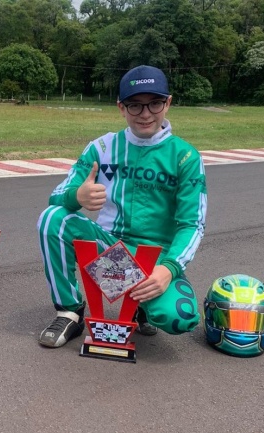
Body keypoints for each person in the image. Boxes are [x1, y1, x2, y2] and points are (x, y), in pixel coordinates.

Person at [37, 65, 207, 348]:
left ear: (168, 103)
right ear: (121, 107)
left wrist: (168, 269)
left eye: (155, 103)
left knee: (180, 318)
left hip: (156, 260)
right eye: (135, 105)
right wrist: (77, 197)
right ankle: (70, 311)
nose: (145, 114)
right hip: (110, 249)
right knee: (51, 218)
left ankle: (143, 306)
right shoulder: (102, 148)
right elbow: (58, 195)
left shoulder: (186, 157)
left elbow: (193, 224)